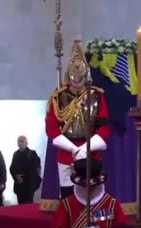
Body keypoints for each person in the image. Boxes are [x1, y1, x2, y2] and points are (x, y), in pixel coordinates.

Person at [45, 37, 110, 199]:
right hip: (67, 154)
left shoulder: (97, 95)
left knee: (92, 196)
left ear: (85, 76)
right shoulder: (58, 97)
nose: (77, 82)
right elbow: (52, 128)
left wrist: (85, 149)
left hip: (91, 154)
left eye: (80, 78)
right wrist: (74, 149)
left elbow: (105, 126)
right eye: (74, 78)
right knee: (68, 198)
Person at [51, 158, 129, 228]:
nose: (88, 189)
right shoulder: (67, 204)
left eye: (92, 186)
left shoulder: (112, 204)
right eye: (84, 186)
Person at [9, 135, 42, 204]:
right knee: (20, 205)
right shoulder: (15, 154)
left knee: (28, 205)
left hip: (29, 185)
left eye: (22, 141)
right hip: (19, 185)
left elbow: (37, 168)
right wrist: (16, 176)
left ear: (26, 143)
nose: (20, 143)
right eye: (19, 141)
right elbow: (12, 168)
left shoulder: (32, 153)